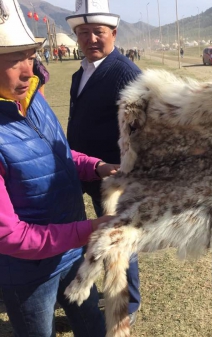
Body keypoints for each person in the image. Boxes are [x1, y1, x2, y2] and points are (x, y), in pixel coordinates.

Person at [0, 1, 118, 335]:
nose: (28, 70)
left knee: (94, 326)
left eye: (29, 56)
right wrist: (89, 229)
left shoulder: (32, 97)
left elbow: (59, 154)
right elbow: (9, 235)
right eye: (13, 61)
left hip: (72, 253)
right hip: (29, 273)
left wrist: (95, 166)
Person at [65, 0, 142, 326]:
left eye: (98, 32)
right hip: (87, 171)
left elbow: (144, 128)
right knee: (101, 236)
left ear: (113, 32)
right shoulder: (80, 71)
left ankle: (130, 302)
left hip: (114, 177)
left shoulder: (125, 72)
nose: (90, 39)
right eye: (83, 33)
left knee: (120, 239)